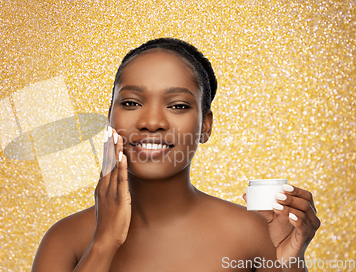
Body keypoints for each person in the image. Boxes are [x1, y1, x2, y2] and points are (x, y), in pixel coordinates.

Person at [31, 38, 321, 271]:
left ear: (205, 126)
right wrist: (105, 242)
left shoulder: (254, 235)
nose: (152, 121)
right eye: (131, 103)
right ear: (110, 118)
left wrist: (290, 264)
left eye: (178, 106)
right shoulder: (65, 240)